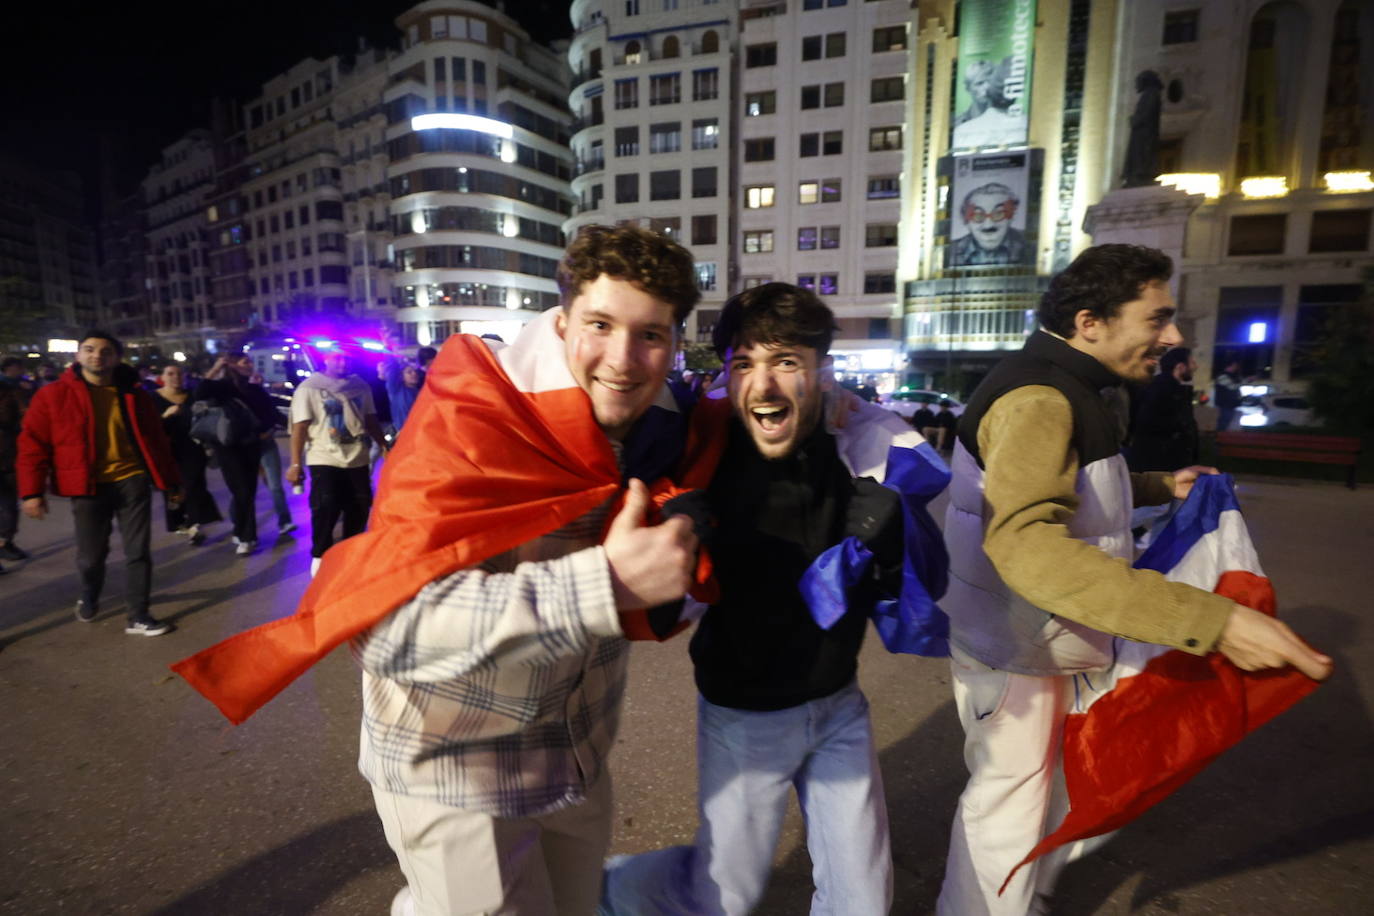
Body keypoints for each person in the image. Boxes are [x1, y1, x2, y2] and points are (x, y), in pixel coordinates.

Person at [936, 244, 1332, 916]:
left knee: (1033, 786)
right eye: (1157, 319)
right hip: (1017, 641)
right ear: (1090, 322)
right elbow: (1028, 543)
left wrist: (1153, 484)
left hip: (1039, 634)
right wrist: (1216, 620)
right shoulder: (1040, 397)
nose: (1173, 336)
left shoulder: (1064, 384)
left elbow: (1061, 485)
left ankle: (1014, 900)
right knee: (1009, 794)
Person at [336, 225, 702, 916]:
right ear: (562, 323)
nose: (624, 359)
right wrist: (604, 587)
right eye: (600, 324)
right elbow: (386, 627)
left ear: (674, 343)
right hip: (456, 775)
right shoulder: (472, 420)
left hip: (574, 760)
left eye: (651, 334)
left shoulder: (659, 426)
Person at [601, 283, 950, 916]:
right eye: (743, 364)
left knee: (863, 901)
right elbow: (648, 611)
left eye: (785, 361)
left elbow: (912, 596)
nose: (762, 385)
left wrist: (895, 537)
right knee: (720, 898)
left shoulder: (859, 452)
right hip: (744, 718)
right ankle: (601, 890)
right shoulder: (701, 465)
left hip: (840, 706)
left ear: (823, 372)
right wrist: (678, 539)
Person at [17, 330, 182, 635]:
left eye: (105, 351)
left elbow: (157, 441)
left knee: (138, 551)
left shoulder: (134, 394)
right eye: (89, 350)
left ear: (116, 358)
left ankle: (138, 615)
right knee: (91, 557)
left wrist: (172, 482)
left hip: (132, 479)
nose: (97, 356)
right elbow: (32, 444)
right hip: (87, 486)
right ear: (78, 355)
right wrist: (31, 492)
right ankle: (90, 593)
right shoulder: (52, 395)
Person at [285, 349, 388, 575]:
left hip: (357, 456)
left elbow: (370, 419)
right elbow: (299, 427)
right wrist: (295, 464)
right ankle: (320, 556)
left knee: (360, 506)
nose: (343, 363)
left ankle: (351, 554)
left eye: (347, 358)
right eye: (337, 358)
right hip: (324, 456)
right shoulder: (309, 388)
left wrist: (383, 445)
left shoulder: (360, 386)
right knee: (326, 506)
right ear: (325, 359)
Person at [198, 354, 283, 556]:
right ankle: (244, 533)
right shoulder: (223, 387)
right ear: (233, 365)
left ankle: (245, 533)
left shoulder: (254, 388)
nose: (250, 365)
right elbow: (200, 392)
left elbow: (270, 413)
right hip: (228, 447)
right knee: (241, 490)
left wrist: (267, 431)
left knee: (246, 491)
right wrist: (216, 367)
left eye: (250, 362)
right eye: (245, 362)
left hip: (251, 445)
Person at [152, 363, 222, 544]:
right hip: (167, 451)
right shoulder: (153, 398)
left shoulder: (191, 396)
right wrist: (165, 416)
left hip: (192, 448)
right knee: (173, 489)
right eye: (171, 373)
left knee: (193, 485)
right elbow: (148, 428)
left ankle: (194, 523)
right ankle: (179, 520)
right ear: (163, 377)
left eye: (179, 374)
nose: (176, 377)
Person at [1127, 347, 1199, 473]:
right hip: (1162, 464)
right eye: (1192, 362)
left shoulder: (1161, 387)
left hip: (1160, 461)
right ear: (1180, 367)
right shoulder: (1165, 391)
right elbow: (1148, 423)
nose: (1195, 367)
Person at [950, 182, 1029, 267]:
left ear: (1012, 216)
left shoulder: (1028, 244)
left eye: (998, 213)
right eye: (978, 215)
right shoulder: (951, 251)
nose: (988, 224)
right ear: (966, 220)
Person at [377, 356, 424, 436]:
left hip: (419, 432)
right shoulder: (396, 389)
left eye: (415, 371)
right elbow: (393, 370)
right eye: (409, 372)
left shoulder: (420, 392)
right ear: (402, 377)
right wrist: (392, 352)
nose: (414, 374)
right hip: (403, 433)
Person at [1213, 359, 1242, 432]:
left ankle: (1219, 436)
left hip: (1229, 403)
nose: (1236, 367)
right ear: (1230, 366)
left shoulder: (1230, 376)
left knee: (1225, 420)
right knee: (1224, 421)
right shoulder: (1222, 376)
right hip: (1225, 403)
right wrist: (1245, 381)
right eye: (1235, 366)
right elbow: (1232, 387)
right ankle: (1218, 436)